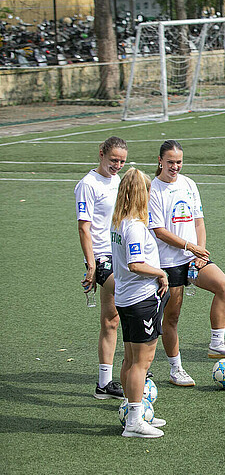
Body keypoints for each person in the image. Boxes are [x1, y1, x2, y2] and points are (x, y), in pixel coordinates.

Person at [148, 141, 225, 388]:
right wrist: (190, 247)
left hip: (192, 258)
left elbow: (199, 221)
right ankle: (175, 368)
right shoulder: (152, 190)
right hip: (167, 262)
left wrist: (199, 252)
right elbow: (158, 231)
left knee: (223, 285)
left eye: (178, 162)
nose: (175, 167)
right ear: (160, 161)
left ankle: (217, 341)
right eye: (170, 162)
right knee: (172, 317)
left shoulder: (189, 184)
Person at [111, 168, 169, 438]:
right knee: (141, 363)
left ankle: (133, 409)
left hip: (126, 298)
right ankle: (134, 420)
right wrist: (160, 273)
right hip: (139, 300)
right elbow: (135, 264)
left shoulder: (120, 223)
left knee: (131, 358)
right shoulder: (134, 227)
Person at [76, 136, 128, 400]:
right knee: (129, 299)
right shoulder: (87, 185)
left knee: (111, 320)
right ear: (101, 154)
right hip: (101, 257)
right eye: (113, 160)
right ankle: (132, 366)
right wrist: (91, 265)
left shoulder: (117, 180)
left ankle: (104, 384)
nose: (117, 165)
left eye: (121, 161)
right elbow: (84, 227)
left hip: (119, 252)